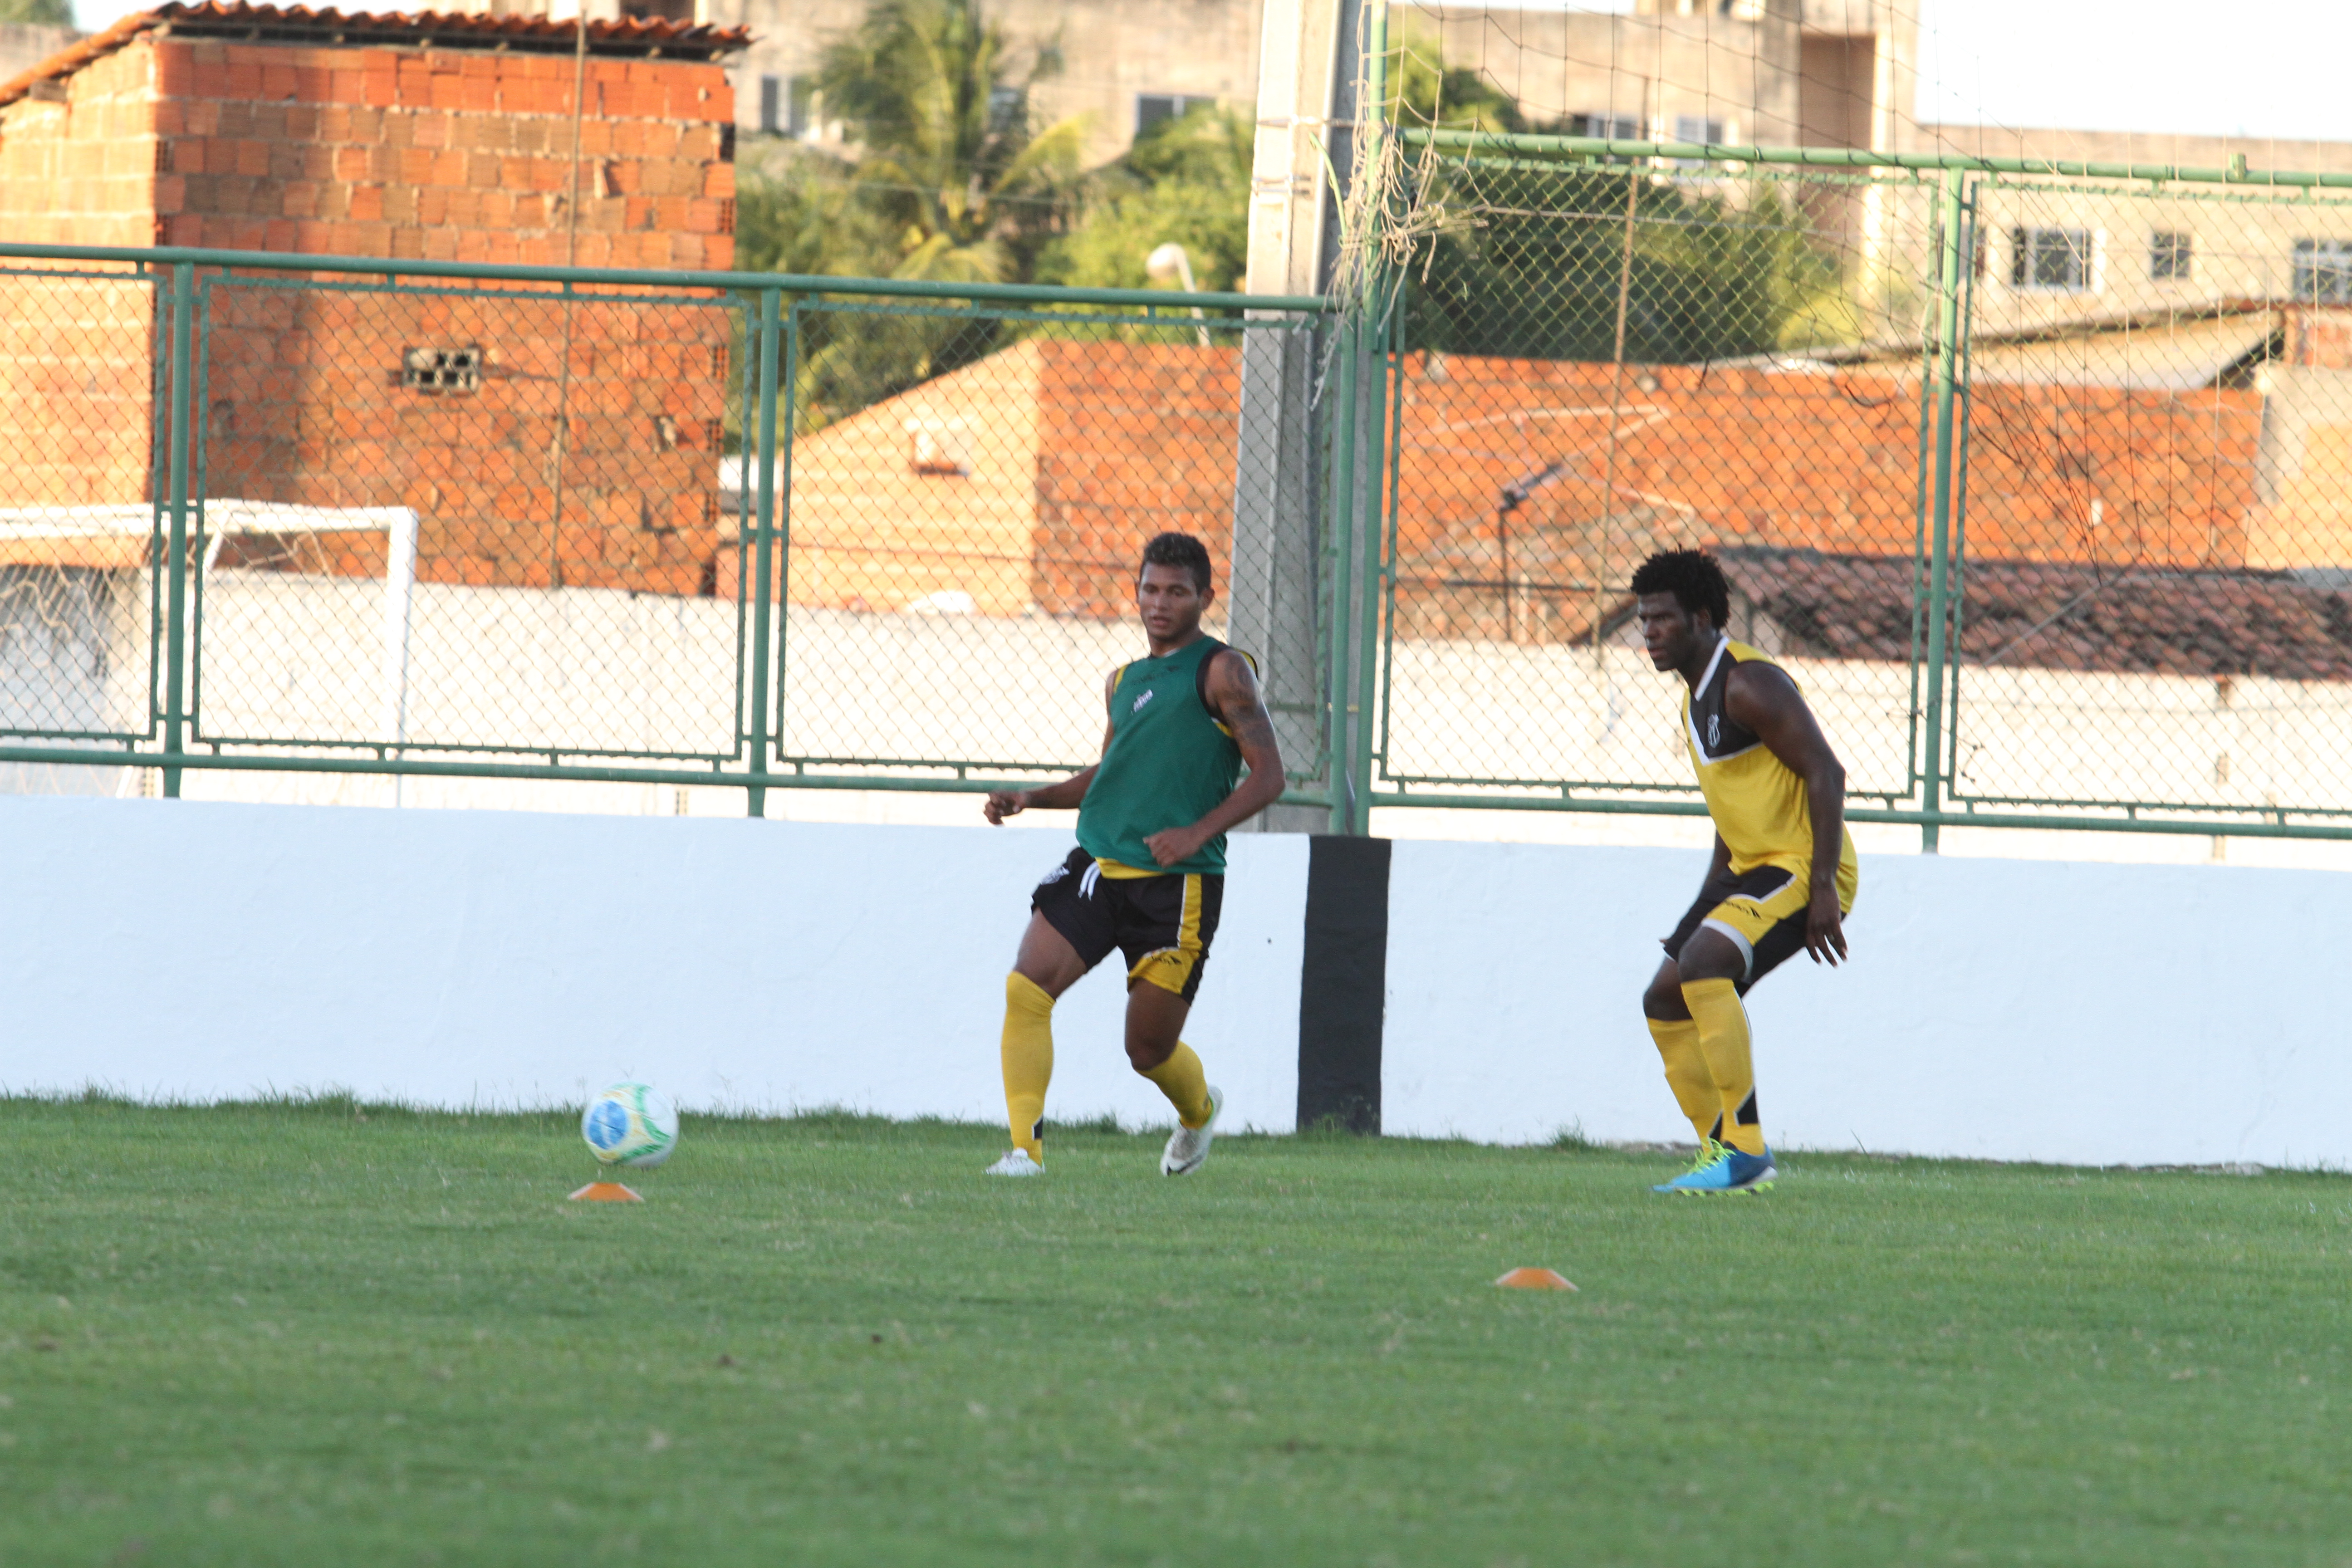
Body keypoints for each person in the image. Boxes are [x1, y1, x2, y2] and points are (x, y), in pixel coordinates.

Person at [978, 532, 1286, 1178]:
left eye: (1177, 591)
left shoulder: (1223, 671)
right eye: (1150, 588)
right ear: (1137, 592)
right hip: (1098, 865)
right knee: (1027, 987)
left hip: (1178, 886)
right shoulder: (1124, 680)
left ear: (1205, 596)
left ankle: (1199, 1112)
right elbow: (1110, 772)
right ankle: (1023, 1155)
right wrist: (1031, 797)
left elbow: (1269, 777)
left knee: (1146, 1051)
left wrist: (1197, 833)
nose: (1160, 602)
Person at [1632, 548, 1857, 1195]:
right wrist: (1701, 904)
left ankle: (1748, 1152)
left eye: (1663, 619)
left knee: (1705, 964)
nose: (1650, 632)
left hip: (1807, 865)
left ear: (1702, 618)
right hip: (1753, 870)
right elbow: (1731, 814)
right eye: (1645, 620)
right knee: (1664, 998)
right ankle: (1720, 1155)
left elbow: (1827, 773)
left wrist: (1822, 892)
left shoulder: (1749, 683)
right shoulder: (1693, 702)